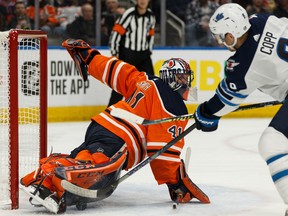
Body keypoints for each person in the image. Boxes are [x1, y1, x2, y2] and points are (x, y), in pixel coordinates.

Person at [20, 38, 208, 213]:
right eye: (182, 77)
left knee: (83, 157)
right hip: (121, 136)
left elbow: (115, 69)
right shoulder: (173, 104)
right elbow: (161, 150)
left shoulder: (144, 79)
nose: (186, 82)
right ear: (172, 78)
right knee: (97, 167)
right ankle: (57, 188)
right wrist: (174, 182)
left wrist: (89, 57)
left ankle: (42, 180)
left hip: (101, 124)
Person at [193, 3, 288, 214]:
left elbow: (225, 102)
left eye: (221, 36)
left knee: (272, 143)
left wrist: (206, 113)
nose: (220, 42)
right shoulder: (262, 20)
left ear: (231, 34)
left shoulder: (241, 64)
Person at [108, 0, 156, 106]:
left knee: (152, 83)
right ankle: (110, 112)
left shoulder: (151, 16)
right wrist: (114, 52)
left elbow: (151, 34)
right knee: (121, 85)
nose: (143, 1)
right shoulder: (128, 14)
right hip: (128, 54)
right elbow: (116, 33)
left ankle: (151, 111)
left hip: (144, 55)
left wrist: (149, 50)